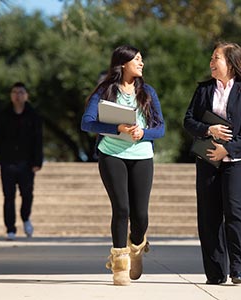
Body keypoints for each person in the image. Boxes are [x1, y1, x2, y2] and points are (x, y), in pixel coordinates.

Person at [81, 45, 165, 286]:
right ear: (123, 64)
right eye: (136, 60)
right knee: (121, 208)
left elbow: (161, 128)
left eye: (141, 59)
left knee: (140, 215)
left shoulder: (148, 92)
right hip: (111, 155)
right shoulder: (105, 90)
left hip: (142, 156)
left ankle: (137, 247)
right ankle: (119, 264)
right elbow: (87, 123)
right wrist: (115, 128)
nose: (141, 63)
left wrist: (144, 132)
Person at [183, 42, 241, 285]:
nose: (211, 63)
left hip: (238, 160)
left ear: (231, 63)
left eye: (216, 58)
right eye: (211, 58)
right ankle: (215, 273)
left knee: (234, 212)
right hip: (207, 157)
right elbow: (188, 120)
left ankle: (238, 269)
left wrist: (226, 148)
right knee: (208, 215)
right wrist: (208, 129)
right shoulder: (204, 89)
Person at [0, 82, 43, 241]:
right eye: (15, 92)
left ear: (26, 96)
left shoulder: (33, 115)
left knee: (27, 194)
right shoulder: (3, 115)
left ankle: (25, 217)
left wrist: (37, 161)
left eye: (21, 92)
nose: (18, 95)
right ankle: (10, 229)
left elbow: (38, 140)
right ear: (11, 95)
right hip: (7, 162)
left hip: (27, 163)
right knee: (8, 196)